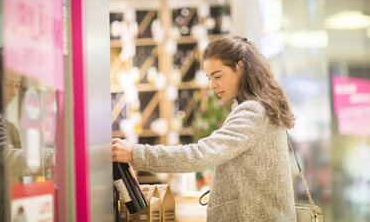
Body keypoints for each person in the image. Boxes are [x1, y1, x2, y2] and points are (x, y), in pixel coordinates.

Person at [112, 35, 297, 221]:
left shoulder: (253, 111)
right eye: (210, 77)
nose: (212, 85)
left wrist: (135, 154)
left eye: (217, 76)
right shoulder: (262, 108)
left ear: (240, 67)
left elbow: (200, 154)